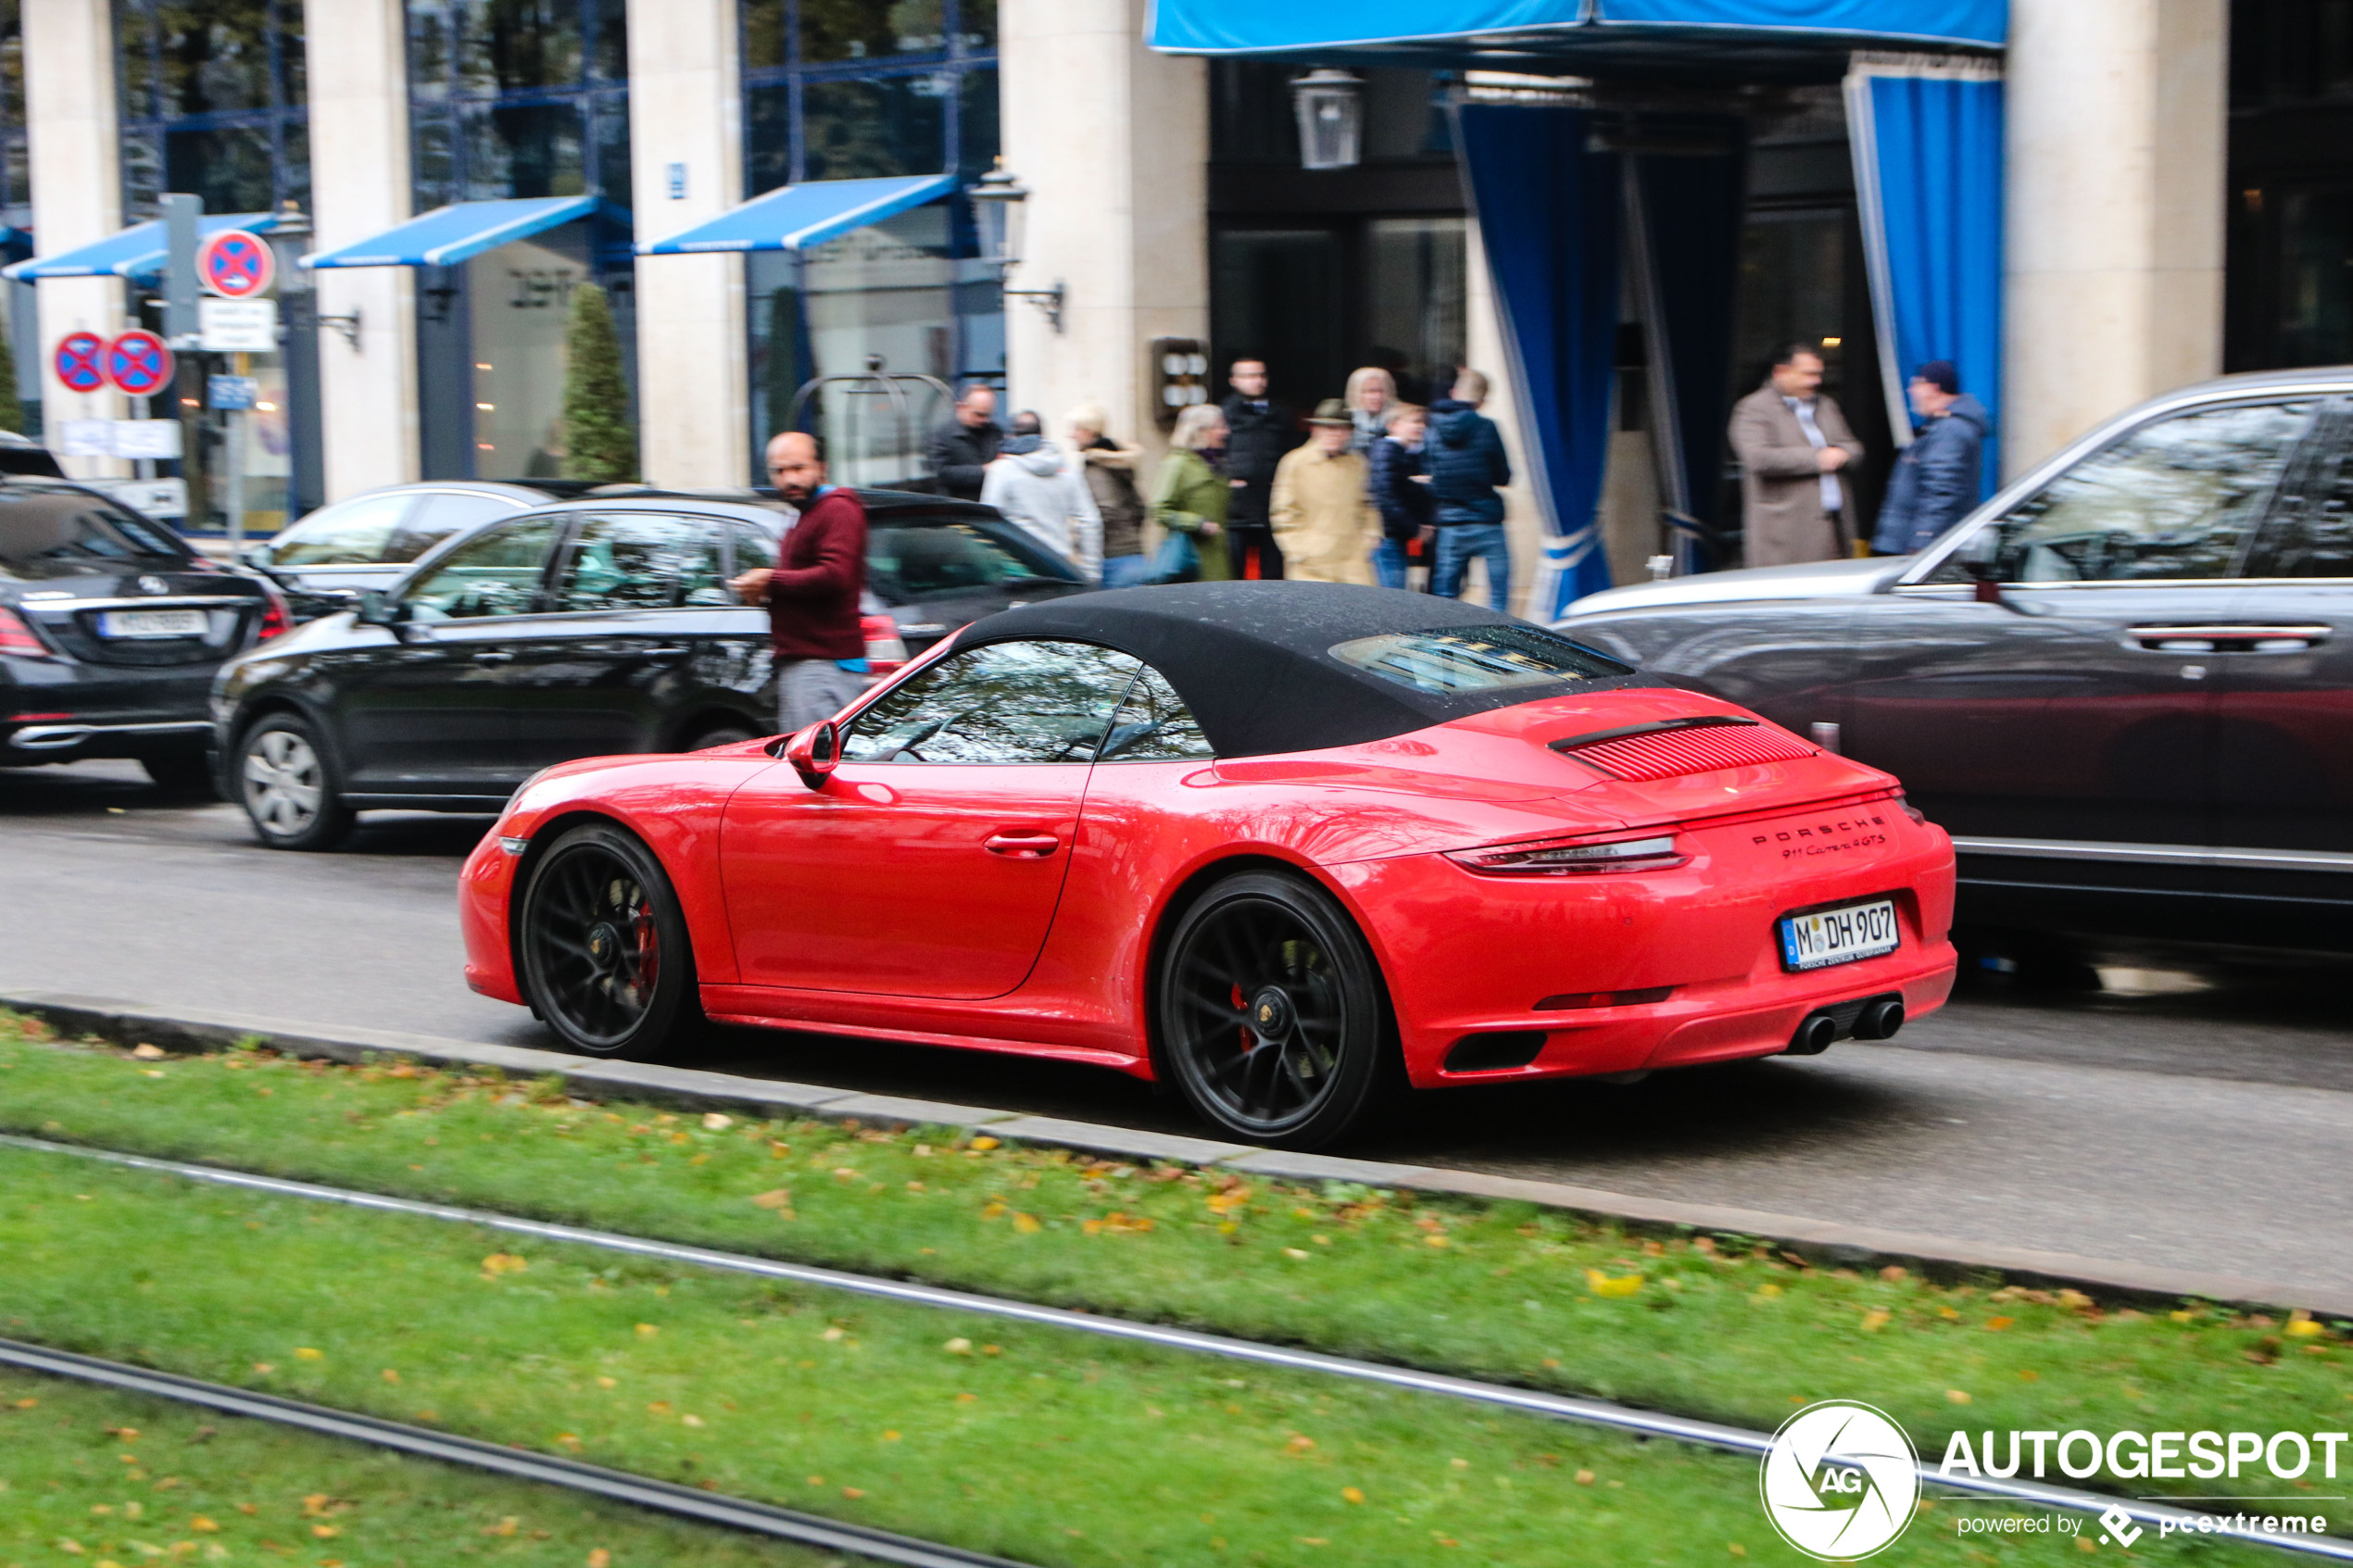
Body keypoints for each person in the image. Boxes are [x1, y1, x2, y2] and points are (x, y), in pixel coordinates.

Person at [730, 431, 869, 734]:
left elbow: (836, 575)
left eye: (798, 468)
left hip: (824, 666)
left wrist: (771, 580)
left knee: (816, 764)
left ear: (822, 468)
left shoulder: (838, 509)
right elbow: (806, 585)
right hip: (805, 665)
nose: (788, 479)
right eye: (779, 471)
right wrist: (766, 593)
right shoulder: (804, 514)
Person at [1729, 343, 1865, 567]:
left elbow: (1853, 447)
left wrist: (1844, 454)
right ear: (1781, 372)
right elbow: (1758, 458)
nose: (1816, 381)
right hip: (1786, 534)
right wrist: (1818, 458)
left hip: (1835, 526)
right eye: (1808, 374)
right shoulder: (1754, 408)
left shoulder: (1826, 405)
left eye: (1819, 374)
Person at [1870, 359, 1989, 557]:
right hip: (1911, 544)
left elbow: (1941, 492)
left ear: (1934, 388)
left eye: (1916, 384)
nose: (1910, 390)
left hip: (1918, 549)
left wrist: (1922, 541)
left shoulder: (1950, 431)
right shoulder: (1940, 428)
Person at [1427, 369, 1514, 610]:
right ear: (1482, 400)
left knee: (1445, 596)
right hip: (1487, 521)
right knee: (1498, 594)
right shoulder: (1487, 427)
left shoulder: (1432, 429)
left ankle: (1443, 645)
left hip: (1451, 523)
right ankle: (1499, 644)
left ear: (1455, 392)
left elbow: (1430, 472)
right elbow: (1503, 476)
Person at [1270, 398, 1380, 585]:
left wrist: (1371, 535)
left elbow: (1367, 503)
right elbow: (1282, 512)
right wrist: (1300, 550)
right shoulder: (1295, 462)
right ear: (1315, 430)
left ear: (1349, 432)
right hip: (1311, 565)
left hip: (1354, 563)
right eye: (1328, 428)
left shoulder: (1358, 463)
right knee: (1312, 613)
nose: (1334, 435)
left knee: (1362, 612)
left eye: (1341, 429)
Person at [980, 411, 1101, 581]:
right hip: (1061, 567)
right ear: (1042, 436)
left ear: (1011, 436)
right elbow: (1090, 521)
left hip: (1018, 568)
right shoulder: (1067, 470)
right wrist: (1091, 573)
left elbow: (988, 521)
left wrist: (990, 571)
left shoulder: (1001, 470)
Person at [1218, 358, 1300, 579]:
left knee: (1273, 578)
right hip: (1235, 509)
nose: (1257, 381)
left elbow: (1292, 454)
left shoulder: (1281, 414)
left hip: (1271, 505)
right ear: (1234, 380)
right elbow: (1213, 454)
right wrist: (1227, 480)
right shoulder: (1222, 415)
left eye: (1261, 375)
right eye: (1249, 376)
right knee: (1232, 578)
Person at [1066, 403, 1151, 588]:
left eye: (1076, 429)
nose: (1071, 435)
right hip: (1136, 555)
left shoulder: (1095, 468)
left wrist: (1082, 543)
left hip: (1113, 559)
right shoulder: (1119, 463)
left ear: (1089, 431)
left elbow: (1105, 510)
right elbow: (1140, 507)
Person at [1149, 403, 1231, 583]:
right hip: (1190, 562)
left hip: (1219, 559)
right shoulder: (1177, 464)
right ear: (1199, 431)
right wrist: (1197, 523)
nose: (1226, 432)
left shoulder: (1217, 465)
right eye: (1219, 426)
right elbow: (1159, 509)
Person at [1368, 401, 1435, 590]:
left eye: (1422, 422)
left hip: (1404, 535)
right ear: (1393, 425)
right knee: (1394, 593)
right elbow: (1388, 496)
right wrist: (1416, 528)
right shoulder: (1387, 451)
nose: (1420, 426)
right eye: (1414, 421)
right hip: (1390, 535)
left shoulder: (1410, 453)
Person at [925, 381, 1002, 501]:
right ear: (961, 407)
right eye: (979, 414)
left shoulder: (995, 432)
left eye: (988, 415)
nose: (985, 420)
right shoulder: (942, 435)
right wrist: (982, 471)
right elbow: (940, 474)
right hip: (957, 506)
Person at [1343, 365, 1396, 458]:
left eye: (1381, 391)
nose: (1377, 397)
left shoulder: (1400, 421)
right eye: (1370, 391)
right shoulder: (1344, 423)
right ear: (1355, 393)